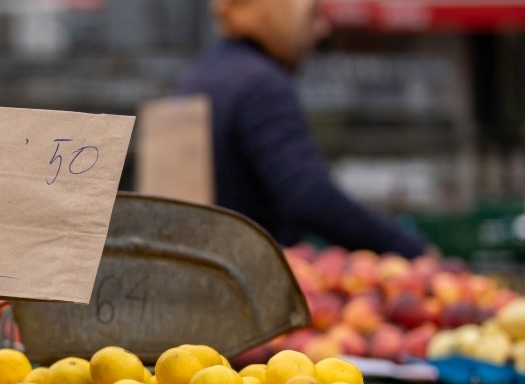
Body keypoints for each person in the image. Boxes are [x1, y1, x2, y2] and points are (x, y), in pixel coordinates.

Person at [176, 0, 428, 258]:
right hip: (254, 271)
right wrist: (409, 248)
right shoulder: (261, 84)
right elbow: (310, 197)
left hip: (210, 264)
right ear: (276, 16)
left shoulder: (198, 76)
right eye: (312, 15)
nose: (323, 29)